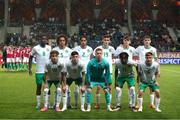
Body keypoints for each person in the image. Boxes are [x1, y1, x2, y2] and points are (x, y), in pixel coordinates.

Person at [28, 35, 51, 109]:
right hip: (39, 71)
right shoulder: (36, 48)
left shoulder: (49, 48)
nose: (44, 40)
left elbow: (52, 57)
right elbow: (30, 57)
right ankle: (38, 104)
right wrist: (30, 68)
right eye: (42, 39)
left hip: (47, 71)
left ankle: (47, 103)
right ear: (40, 40)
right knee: (38, 87)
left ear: (47, 40)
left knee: (48, 88)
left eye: (45, 39)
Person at [135, 35, 158, 109]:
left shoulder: (153, 49)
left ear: (150, 41)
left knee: (152, 88)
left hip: (151, 70)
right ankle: (138, 104)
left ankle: (152, 104)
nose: (147, 41)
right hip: (141, 69)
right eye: (145, 40)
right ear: (143, 41)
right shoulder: (139, 48)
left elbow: (156, 59)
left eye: (148, 40)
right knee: (140, 87)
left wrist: (158, 70)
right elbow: (132, 52)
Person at [93, 35, 115, 109]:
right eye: (105, 40)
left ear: (109, 41)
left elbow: (113, 57)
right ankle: (97, 104)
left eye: (108, 40)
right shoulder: (98, 48)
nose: (106, 41)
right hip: (100, 71)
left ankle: (109, 104)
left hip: (109, 71)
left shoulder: (112, 49)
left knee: (109, 88)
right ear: (102, 40)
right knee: (98, 87)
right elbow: (93, 58)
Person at [114, 35, 136, 108]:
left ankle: (131, 104)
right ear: (123, 41)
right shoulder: (119, 48)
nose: (126, 42)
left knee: (131, 89)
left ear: (130, 41)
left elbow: (136, 58)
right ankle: (118, 104)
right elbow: (115, 55)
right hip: (121, 71)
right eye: (125, 40)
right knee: (117, 89)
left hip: (129, 71)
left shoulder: (132, 49)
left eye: (127, 40)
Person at [52, 34, 72, 108]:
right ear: (58, 41)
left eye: (63, 40)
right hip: (57, 72)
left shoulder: (70, 50)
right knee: (58, 88)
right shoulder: (55, 50)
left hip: (67, 72)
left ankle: (68, 104)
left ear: (66, 41)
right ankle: (56, 104)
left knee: (67, 88)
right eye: (60, 40)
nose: (62, 42)